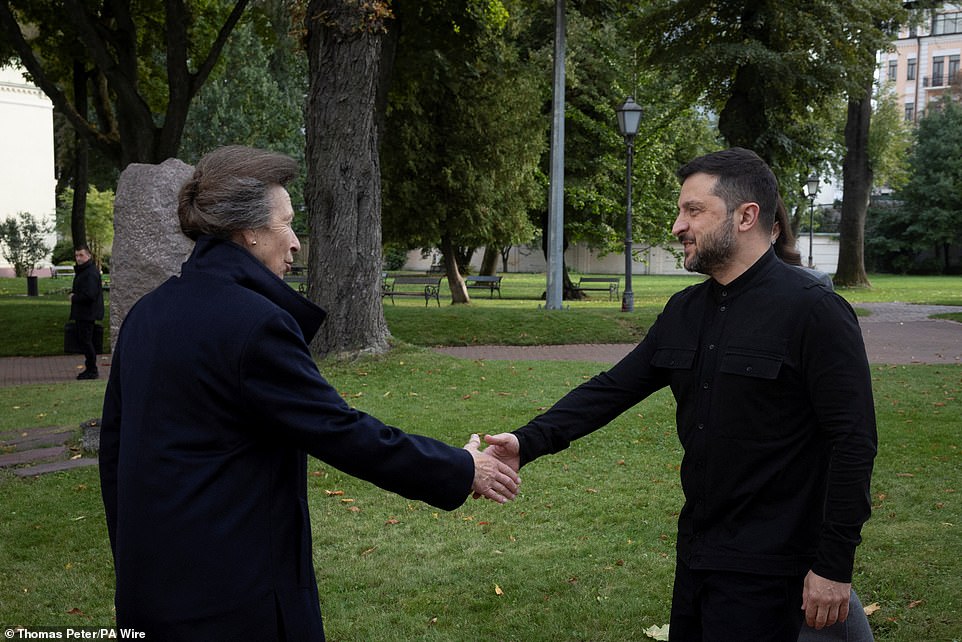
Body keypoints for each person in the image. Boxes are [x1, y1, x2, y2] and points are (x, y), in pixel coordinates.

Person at [98, 145, 520, 640]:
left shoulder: (147, 313)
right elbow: (340, 429)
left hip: (150, 590)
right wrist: (462, 467)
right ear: (248, 231)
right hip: (234, 597)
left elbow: (116, 452)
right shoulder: (254, 325)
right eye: (287, 224)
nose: (296, 243)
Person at [483, 148, 877, 640]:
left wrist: (834, 566)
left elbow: (853, 442)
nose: (677, 226)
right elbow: (612, 389)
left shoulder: (815, 312)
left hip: (774, 566)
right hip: (698, 554)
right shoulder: (684, 310)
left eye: (693, 210)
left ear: (746, 216)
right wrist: (528, 441)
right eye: (680, 210)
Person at [69, 245, 104, 379]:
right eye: (76, 255)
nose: (78, 258)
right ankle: (90, 368)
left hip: (87, 313)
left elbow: (90, 295)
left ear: (88, 256)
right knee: (85, 341)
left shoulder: (90, 272)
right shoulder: (84, 271)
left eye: (81, 255)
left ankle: (92, 369)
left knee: (86, 341)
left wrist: (74, 297)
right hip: (84, 312)